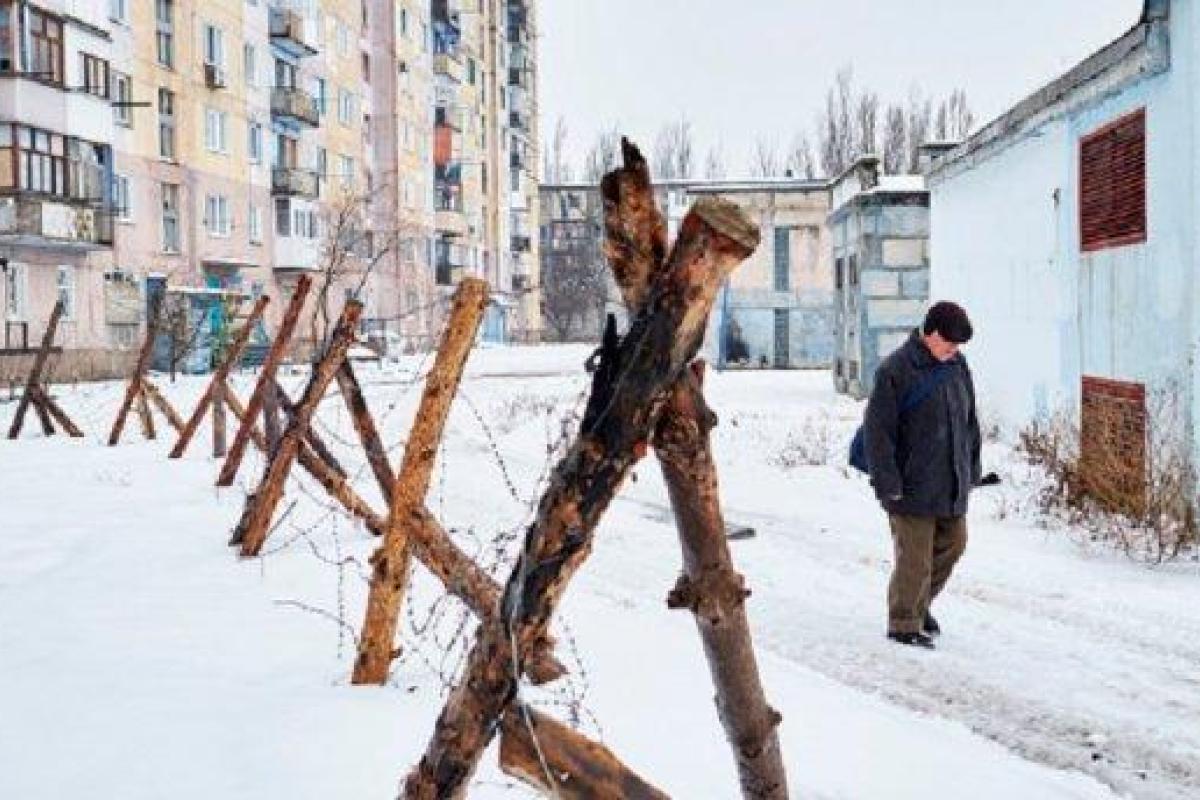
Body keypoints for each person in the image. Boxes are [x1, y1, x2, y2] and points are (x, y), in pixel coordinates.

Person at [864, 301, 982, 649]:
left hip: (950, 480)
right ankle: (903, 622)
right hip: (909, 484)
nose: (954, 350)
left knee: (954, 544)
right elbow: (878, 432)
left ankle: (919, 603)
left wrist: (972, 468)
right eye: (949, 342)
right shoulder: (896, 370)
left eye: (958, 345)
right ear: (930, 334)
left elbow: (970, 423)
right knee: (915, 558)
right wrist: (887, 482)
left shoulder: (957, 366)